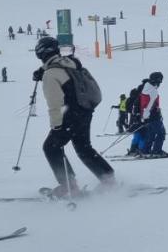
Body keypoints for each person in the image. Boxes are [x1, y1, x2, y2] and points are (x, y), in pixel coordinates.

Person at [33, 36, 115, 196]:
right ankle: (108, 180)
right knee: (83, 148)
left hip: (69, 115)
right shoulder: (71, 64)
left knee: (51, 147)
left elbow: (54, 104)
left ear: (41, 54)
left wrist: (56, 126)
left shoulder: (51, 74)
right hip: (85, 111)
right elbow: (59, 68)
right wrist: (42, 71)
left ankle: (68, 186)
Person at [137, 71, 168, 157]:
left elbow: (145, 104)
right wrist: (151, 114)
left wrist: (144, 117)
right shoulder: (153, 91)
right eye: (160, 81)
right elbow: (150, 105)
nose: (160, 83)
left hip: (147, 115)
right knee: (161, 133)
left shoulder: (146, 87)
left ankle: (145, 150)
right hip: (153, 115)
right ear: (156, 81)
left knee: (151, 133)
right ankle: (157, 151)